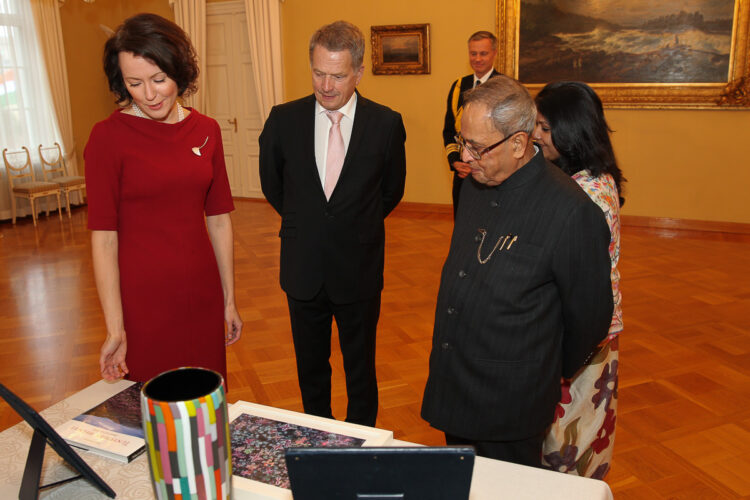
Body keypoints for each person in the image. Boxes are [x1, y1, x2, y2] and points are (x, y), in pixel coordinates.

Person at [421, 76, 613, 468]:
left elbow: (590, 318)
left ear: (519, 144)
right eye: (462, 140)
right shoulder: (477, 181)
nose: (466, 156)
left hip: (510, 402)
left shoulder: (572, 211)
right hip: (455, 381)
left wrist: (540, 368)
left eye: (476, 146)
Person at [259, 21, 406, 427]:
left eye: (338, 75)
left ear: (359, 72)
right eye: (319, 72)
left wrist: (352, 226)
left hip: (358, 268)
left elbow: (390, 192)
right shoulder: (283, 120)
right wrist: (307, 222)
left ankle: (362, 445)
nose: (326, 85)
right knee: (311, 369)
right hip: (302, 267)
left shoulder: (386, 124)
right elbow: (273, 185)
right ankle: (318, 439)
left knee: (361, 370)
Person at [85, 13, 242, 384]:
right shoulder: (107, 138)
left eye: (159, 79)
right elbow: (104, 237)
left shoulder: (206, 130)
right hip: (142, 300)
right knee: (152, 411)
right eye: (134, 83)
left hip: (201, 292)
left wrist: (229, 298)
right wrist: (115, 328)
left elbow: (218, 218)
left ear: (180, 72)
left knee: (203, 404)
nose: (150, 94)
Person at [533, 81, 624, 478]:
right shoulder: (576, 176)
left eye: (545, 128)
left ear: (572, 132)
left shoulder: (587, 198)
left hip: (584, 337)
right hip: (580, 331)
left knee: (568, 444)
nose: (535, 135)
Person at [442, 31, 501, 217]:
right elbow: (449, 129)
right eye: (473, 53)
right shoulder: (459, 86)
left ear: (494, 53)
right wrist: (455, 162)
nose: (477, 59)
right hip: (463, 174)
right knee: (462, 222)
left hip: (492, 174)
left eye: (483, 53)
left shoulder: (504, 86)